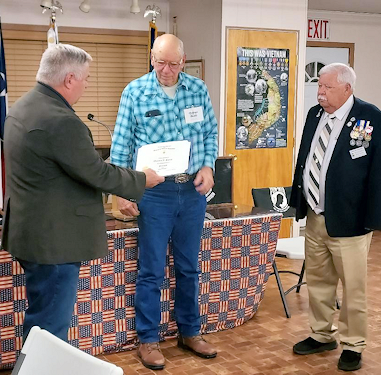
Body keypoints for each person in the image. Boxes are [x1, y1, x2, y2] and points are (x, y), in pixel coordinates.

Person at [1, 43, 164, 343]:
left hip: (31, 234)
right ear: (69, 79)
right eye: (86, 78)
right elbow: (97, 173)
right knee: (49, 330)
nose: (88, 84)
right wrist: (143, 180)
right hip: (55, 241)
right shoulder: (61, 121)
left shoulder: (22, 107)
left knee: (41, 323)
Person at [110, 34, 218, 370]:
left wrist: (208, 167)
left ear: (183, 61)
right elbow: (120, 145)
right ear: (152, 58)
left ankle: (189, 331)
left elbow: (210, 134)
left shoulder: (197, 89)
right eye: (159, 62)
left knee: (189, 268)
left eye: (172, 63)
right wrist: (122, 191)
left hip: (192, 193)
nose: (165, 70)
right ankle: (148, 340)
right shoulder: (136, 92)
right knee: (152, 270)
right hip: (154, 193)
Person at [290, 63, 381, 371]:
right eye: (319, 87)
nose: (320, 92)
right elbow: (305, 159)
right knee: (319, 282)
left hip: (351, 222)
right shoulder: (314, 115)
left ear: (347, 88)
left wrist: (372, 219)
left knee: (353, 287)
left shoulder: (374, 119)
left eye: (327, 87)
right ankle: (321, 334)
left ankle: (353, 344)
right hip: (315, 216)